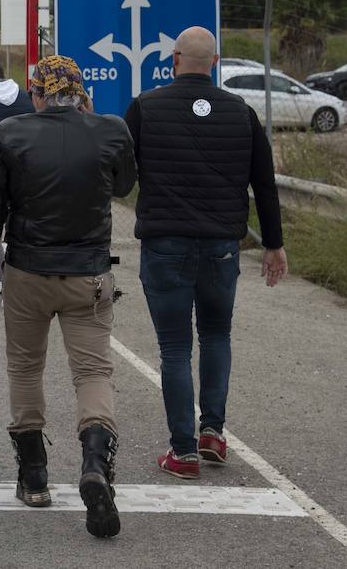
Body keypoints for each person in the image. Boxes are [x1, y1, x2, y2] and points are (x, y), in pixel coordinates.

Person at [0, 55, 136, 539]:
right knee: (93, 370)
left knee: (25, 366)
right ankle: (96, 463)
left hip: (27, 271)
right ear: (80, 91)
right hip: (89, 274)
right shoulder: (109, 129)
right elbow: (124, 184)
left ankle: (34, 474)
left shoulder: (10, 133)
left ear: (36, 93)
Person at [124, 26, 288, 480]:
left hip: (166, 245)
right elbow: (265, 186)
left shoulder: (145, 108)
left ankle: (183, 451)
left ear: (173, 60)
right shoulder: (241, 112)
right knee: (217, 336)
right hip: (221, 248)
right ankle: (212, 431)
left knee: (175, 349)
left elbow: (118, 174)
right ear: (214, 64)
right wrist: (273, 245)